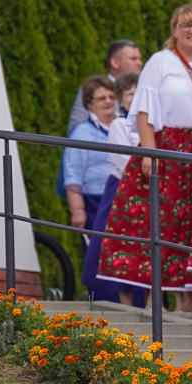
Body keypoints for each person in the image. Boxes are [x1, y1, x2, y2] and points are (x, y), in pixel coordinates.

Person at [96, 5, 192, 311]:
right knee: (166, 224)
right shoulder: (161, 62)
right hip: (169, 148)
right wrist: (149, 152)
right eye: (185, 25)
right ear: (174, 31)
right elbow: (144, 110)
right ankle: (168, 301)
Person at [81, 71, 143, 305]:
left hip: (146, 189)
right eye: (129, 94)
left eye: (139, 93)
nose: (135, 98)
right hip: (123, 190)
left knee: (144, 246)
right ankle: (124, 303)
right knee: (118, 245)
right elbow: (124, 160)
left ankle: (150, 302)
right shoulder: (120, 124)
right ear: (122, 99)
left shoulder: (151, 124)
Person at [63, 75, 117, 235]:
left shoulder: (125, 125)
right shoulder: (81, 133)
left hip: (124, 198)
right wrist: (78, 210)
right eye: (101, 98)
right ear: (89, 104)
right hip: (95, 202)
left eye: (111, 97)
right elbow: (72, 173)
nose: (107, 101)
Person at [67, 40, 143, 135]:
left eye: (139, 59)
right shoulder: (91, 89)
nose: (140, 63)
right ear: (115, 62)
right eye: (133, 59)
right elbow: (75, 131)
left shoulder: (143, 91)